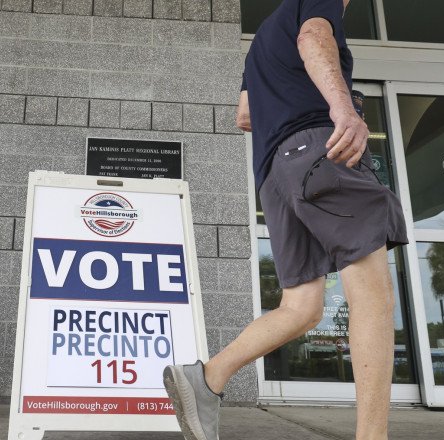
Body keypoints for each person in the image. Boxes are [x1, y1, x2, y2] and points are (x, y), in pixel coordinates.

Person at [162, 1, 408, 439]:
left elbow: (245, 115)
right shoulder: (313, 4)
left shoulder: (262, 41)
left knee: (301, 308)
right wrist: (343, 109)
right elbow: (313, 37)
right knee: (373, 296)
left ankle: (207, 377)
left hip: (276, 174)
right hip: (322, 150)